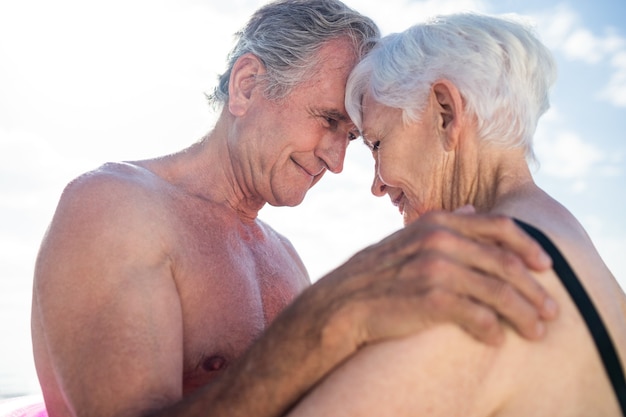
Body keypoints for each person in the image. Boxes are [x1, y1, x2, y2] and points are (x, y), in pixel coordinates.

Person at [30, 3, 558, 417]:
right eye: (328, 120)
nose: (336, 160)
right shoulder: (115, 205)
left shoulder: (286, 257)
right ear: (248, 85)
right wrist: (330, 320)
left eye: (353, 137)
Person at [286, 11, 626, 416]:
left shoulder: (480, 280)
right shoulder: (577, 251)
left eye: (376, 144)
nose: (377, 184)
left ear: (446, 112)